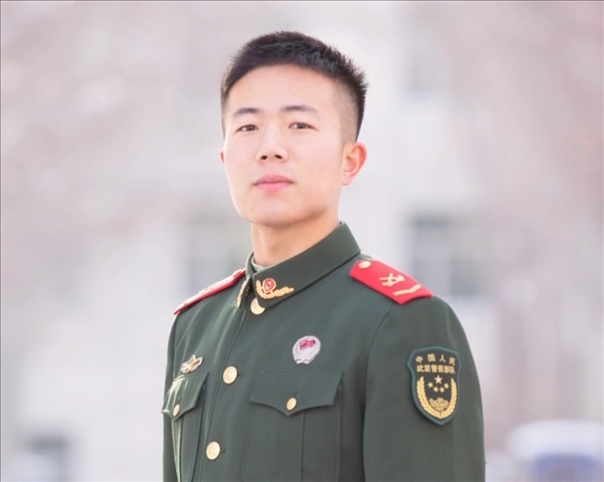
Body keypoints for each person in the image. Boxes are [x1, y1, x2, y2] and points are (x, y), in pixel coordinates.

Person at [162, 31, 485, 482]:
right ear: (224, 158)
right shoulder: (195, 326)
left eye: (299, 125)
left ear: (349, 161)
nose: (270, 147)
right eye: (248, 127)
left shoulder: (400, 323)